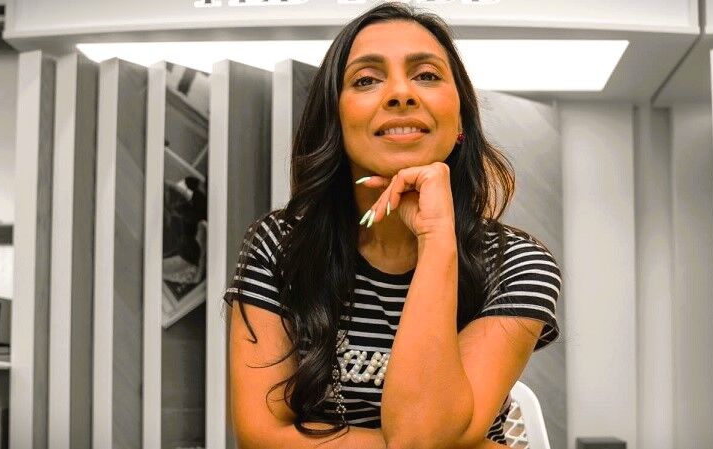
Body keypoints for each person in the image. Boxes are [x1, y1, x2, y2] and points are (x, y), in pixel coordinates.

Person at [224, 3, 561, 448]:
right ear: (335, 118)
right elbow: (260, 435)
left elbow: (423, 436)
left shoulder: (518, 264)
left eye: (427, 75)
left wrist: (436, 239)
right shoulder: (278, 245)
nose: (401, 94)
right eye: (366, 80)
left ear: (460, 118)